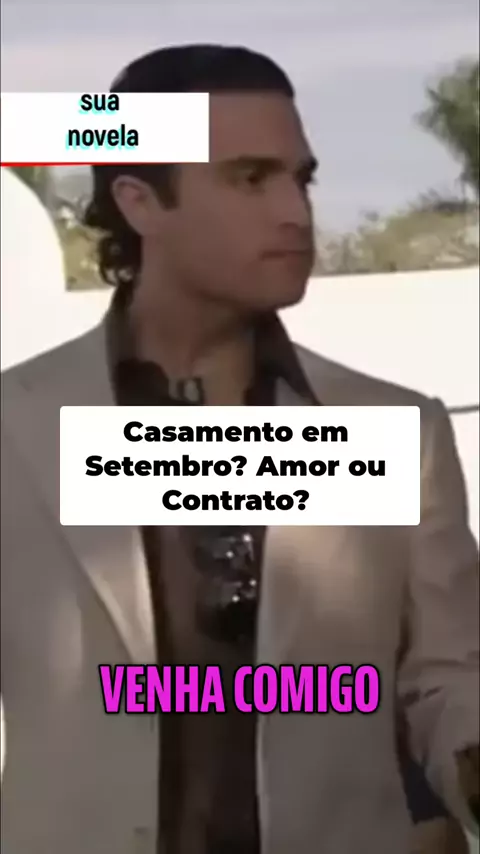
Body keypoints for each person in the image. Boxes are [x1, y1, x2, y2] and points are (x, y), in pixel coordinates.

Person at [1, 44, 478, 854]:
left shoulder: (398, 429)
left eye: (302, 179)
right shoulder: (15, 427)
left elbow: (450, 676)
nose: (295, 212)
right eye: (251, 179)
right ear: (140, 202)